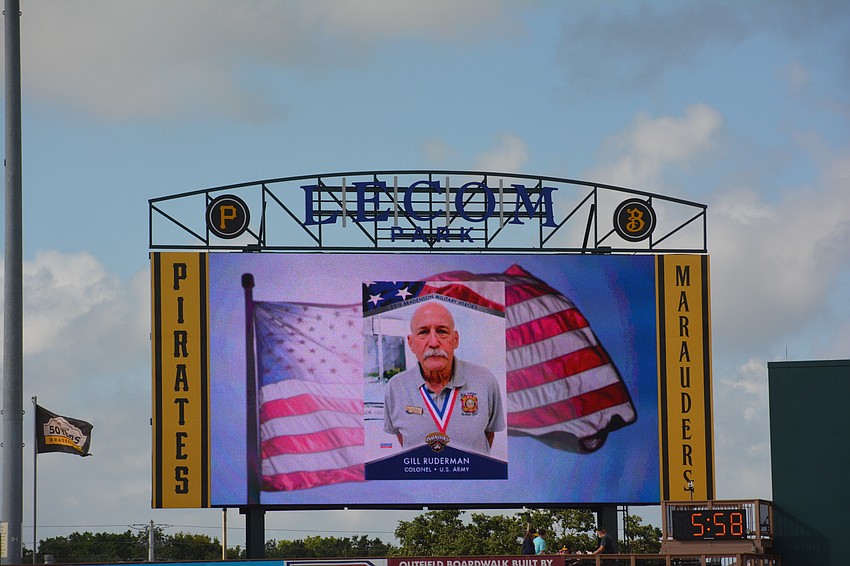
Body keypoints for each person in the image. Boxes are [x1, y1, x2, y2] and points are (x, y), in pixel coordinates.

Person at [383, 301, 506, 455]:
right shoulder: (395, 387)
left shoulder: (485, 381)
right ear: (411, 343)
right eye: (423, 332)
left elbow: (488, 436)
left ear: (455, 339)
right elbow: (404, 440)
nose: (434, 343)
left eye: (442, 331)